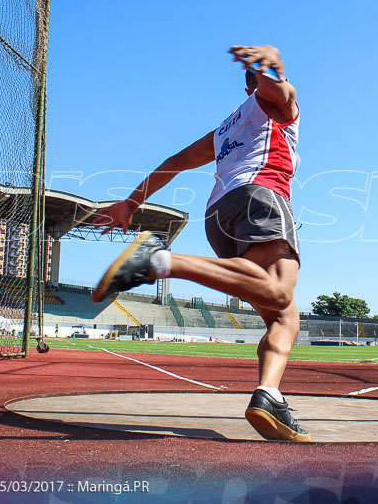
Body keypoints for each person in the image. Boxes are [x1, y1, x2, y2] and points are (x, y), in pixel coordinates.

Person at [91, 45, 308, 442]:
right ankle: (157, 263)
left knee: (284, 317)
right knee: (278, 288)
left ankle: (269, 394)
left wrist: (130, 202)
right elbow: (283, 88)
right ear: (256, 85)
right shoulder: (275, 106)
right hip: (260, 197)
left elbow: (178, 159)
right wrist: (271, 60)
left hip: (218, 215)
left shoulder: (226, 128)